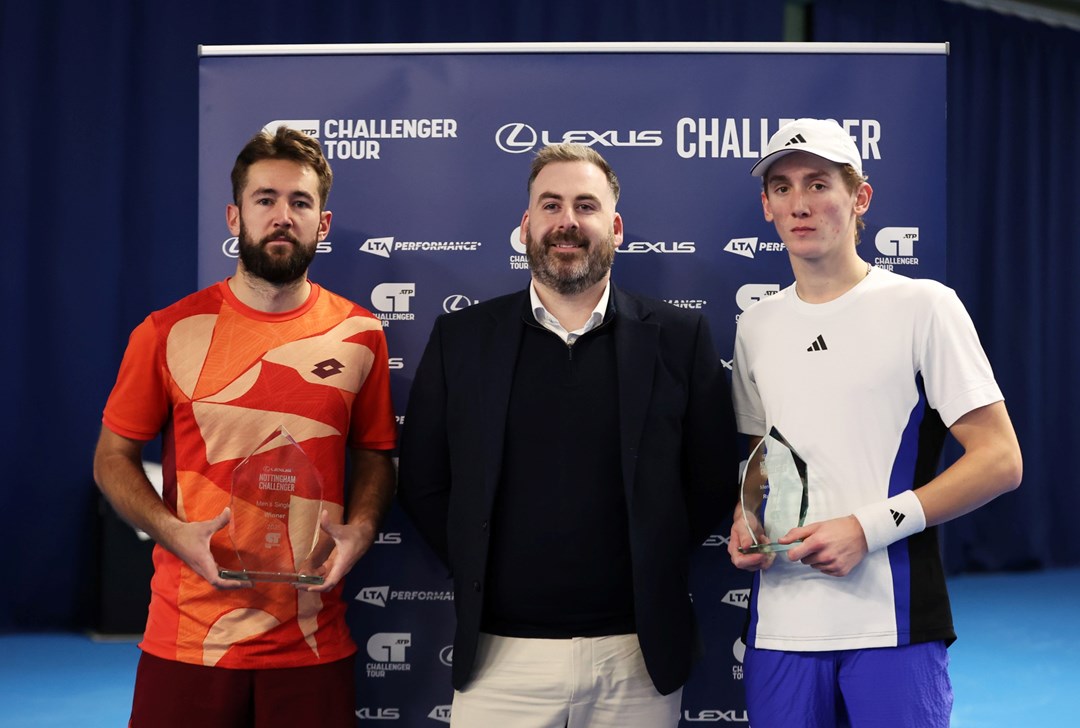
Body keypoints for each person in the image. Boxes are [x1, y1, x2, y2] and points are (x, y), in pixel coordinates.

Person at [397, 143, 737, 727]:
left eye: (586, 206)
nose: (567, 222)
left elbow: (709, 481)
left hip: (637, 659)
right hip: (499, 661)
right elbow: (425, 482)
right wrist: (482, 561)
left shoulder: (680, 337)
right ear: (526, 225)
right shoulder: (462, 338)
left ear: (616, 226)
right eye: (550, 205)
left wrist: (650, 555)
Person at [92, 126, 397, 728]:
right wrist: (172, 533)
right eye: (265, 200)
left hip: (313, 642)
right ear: (235, 216)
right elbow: (112, 457)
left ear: (323, 224)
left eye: (300, 202)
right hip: (188, 640)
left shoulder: (362, 335)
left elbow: (376, 455)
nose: (282, 216)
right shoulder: (166, 332)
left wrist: (362, 528)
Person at [727, 118, 1023, 727]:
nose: (799, 203)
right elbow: (764, 454)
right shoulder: (755, 326)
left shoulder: (924, 307)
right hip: (781, 628)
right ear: (766, 206)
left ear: (860, 198)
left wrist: (868, 527)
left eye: (818, 184)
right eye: (782, 188)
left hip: (895, 624)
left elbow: (1000, 460)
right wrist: (747, 517)